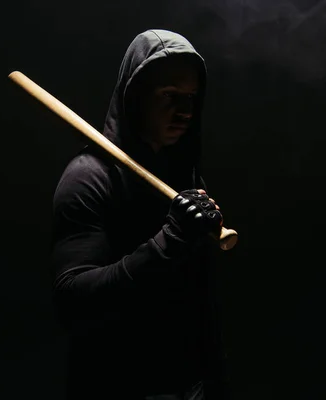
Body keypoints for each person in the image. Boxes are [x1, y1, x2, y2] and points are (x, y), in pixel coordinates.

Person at [49, 29, 230, 400]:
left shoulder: (182, 175)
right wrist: (170, 241)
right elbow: (73, 300)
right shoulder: (88, 177)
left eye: (191, 98)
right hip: (115, 385)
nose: (185, 112)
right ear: (135, 96)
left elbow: (195, 296)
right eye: (169, 97)